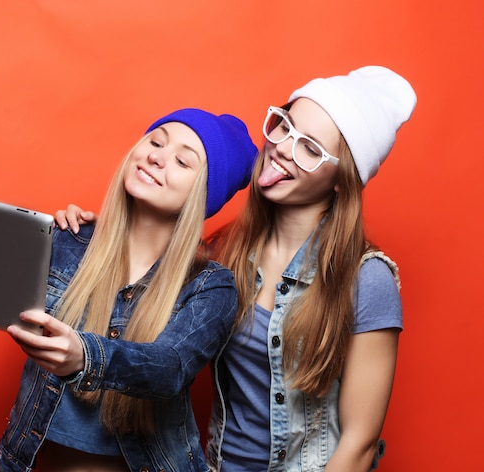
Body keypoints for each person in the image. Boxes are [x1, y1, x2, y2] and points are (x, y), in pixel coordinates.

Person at [56, 66, 417, 471]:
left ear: (342, 180)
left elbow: (360, 443)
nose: (282, 147)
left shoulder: (366, 279)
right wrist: (82, 235)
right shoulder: (222, 253)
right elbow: (133, 306)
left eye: (311, 149)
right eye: (284, 126)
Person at [0, 108, 259, 471]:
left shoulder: (212, 287)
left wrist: (85, 357)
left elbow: (170, 367)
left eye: (183, 161)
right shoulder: (65, 241)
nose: (158, 158)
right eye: (156, 142)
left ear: (205, 194)